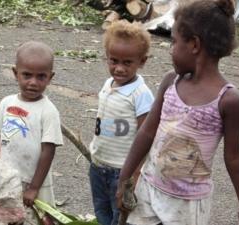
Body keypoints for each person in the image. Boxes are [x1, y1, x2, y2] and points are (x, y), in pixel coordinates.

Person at [116, 0, 239, 224]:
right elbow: (147, 133)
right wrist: (125, 176)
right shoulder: (171, 82)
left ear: (194, 44)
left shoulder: (228, 100)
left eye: (174, 42)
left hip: (188, 205)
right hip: (149, 190)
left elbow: (234, 156)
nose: (171, 50)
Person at [0, 41, 63, 223]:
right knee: (5, 218)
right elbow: (1, 140)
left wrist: (34, 187)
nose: (33, 82)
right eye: (27, 75)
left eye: (41, 77)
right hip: (8, 180)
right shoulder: (6, 104)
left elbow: (48, 151)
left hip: (35, 182)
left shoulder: (48, 111)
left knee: (39, 219)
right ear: (15, 74)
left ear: (50, 77)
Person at [89, 20, 154, 225]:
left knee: (121, 217)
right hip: (99, 165)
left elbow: (146, 136)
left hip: (122, 171)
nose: (119, 68)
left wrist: (134, 175)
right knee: (102, 212)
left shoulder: (141, 94)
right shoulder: (108, 84)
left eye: (127, 63)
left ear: (142, 61)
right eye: (113, 61)